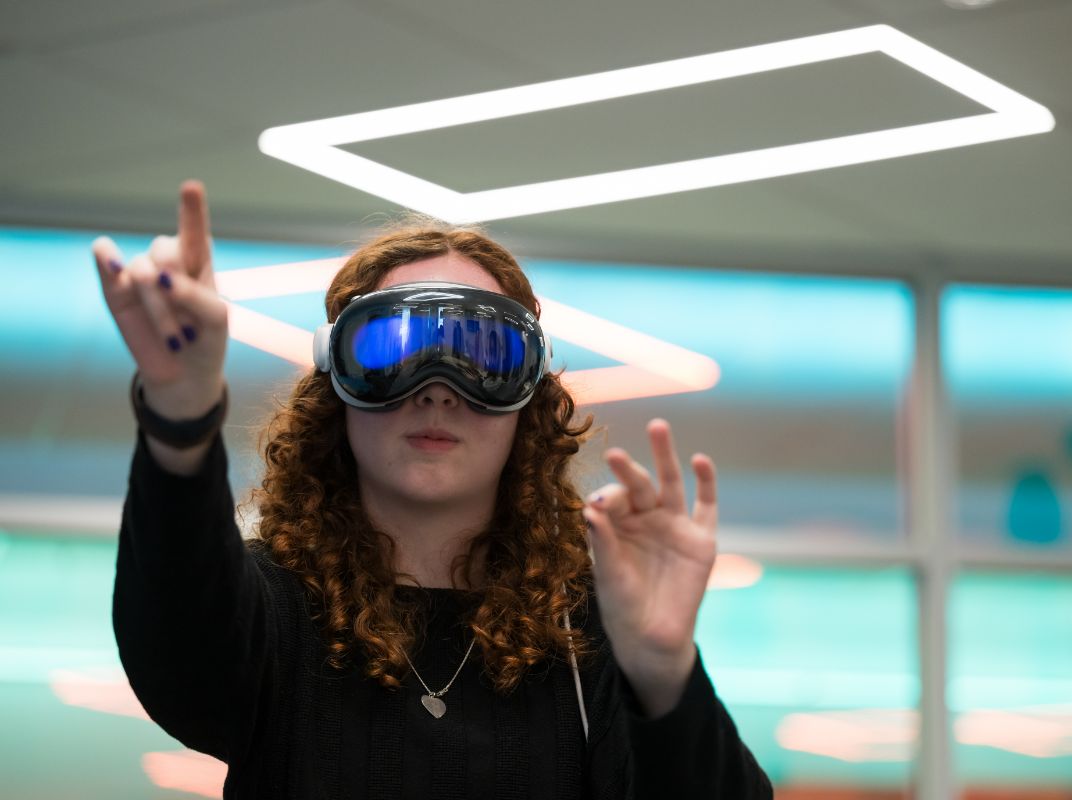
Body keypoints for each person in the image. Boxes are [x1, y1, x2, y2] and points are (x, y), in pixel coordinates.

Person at [94, 181, 772, 799]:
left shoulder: (586, 633)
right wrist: (181, 414)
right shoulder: (269, 612)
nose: (440, 388)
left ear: (526, 400)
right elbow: (178, 646)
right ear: (337, 381)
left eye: (486, 354)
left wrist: (662, 674)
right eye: (392, 349)